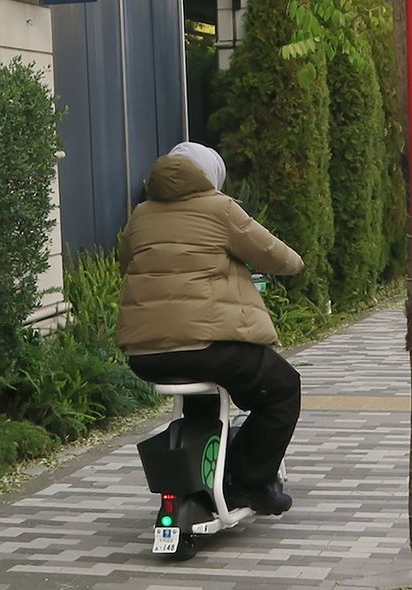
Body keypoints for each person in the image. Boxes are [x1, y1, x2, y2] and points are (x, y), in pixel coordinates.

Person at [116, 142, 305, 515]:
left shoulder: (141, 214)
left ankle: (203, 472)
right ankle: (250, 483)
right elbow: (284, 259)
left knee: (205, 397)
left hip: (146, 355)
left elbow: (127, 262)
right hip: (207, 349)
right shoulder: (220, 209)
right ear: (210, 176)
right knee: (282, 389)